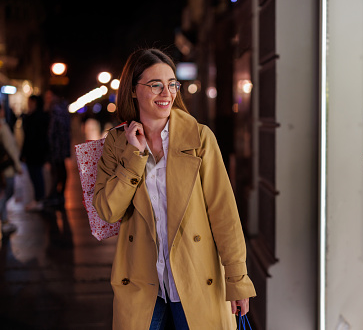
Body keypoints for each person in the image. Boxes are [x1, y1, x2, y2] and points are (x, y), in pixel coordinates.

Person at [93, 48, 256, 330]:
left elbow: (224, 214)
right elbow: (107, 211)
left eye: (172, 84)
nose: (166, 93)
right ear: (133, 90)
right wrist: (134, 157)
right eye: (155, 85)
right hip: (142, 283)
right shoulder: (117, 143)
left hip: (196, 278)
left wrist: (237, 279)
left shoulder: (200, 138)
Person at [22, 95, 50, 211]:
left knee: (36, 175)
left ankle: (39, 199)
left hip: (35, 151)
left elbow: (33, 136)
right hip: (34, 151)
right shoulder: (35, 116)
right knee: (35, 175)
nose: (28, 104)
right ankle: (39, 198)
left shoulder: (37, 117)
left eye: (30, 102)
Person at [45, 87, 70, 206]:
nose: (48, 99)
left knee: (57, 170)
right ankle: (59, 194)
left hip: (57, 146)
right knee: (61, 169)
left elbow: (53, 130)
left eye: (49, 96)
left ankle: (56, 195)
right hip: (62, 145)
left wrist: (50, 144)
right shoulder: (63, 108)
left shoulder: (55, 109)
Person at [0, 104, 23, 236]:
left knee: (3, 194)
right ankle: (5, 222)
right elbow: (11, 148)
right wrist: (18, 166)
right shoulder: (3, 126)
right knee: (6, 193)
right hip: (6, 167)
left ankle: (5, 222)